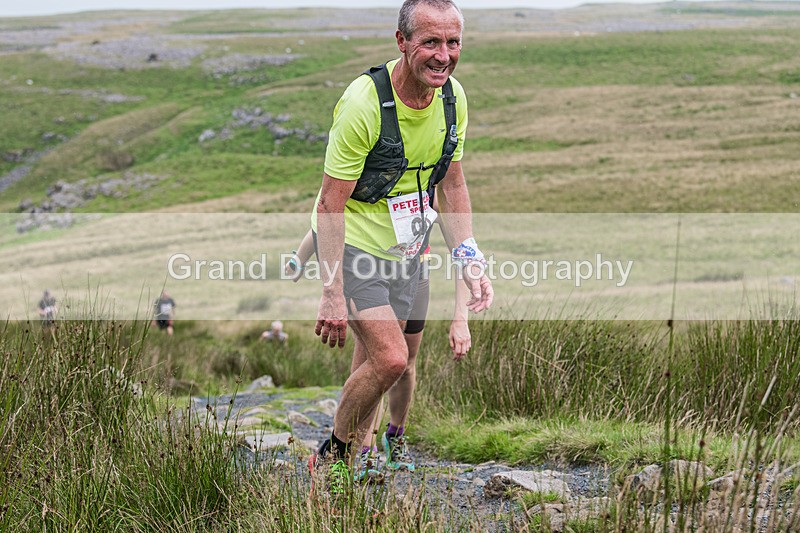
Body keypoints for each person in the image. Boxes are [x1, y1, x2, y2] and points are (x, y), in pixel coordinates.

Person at [309, 0, 493, 494]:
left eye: (453, 42)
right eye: (430, 42)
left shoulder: (452, 99)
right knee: (390, 359)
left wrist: (469, 258)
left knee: (382, 362)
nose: (443, 55)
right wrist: (331, 292)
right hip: (355, 249)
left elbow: (452, 184)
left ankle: (357, 459)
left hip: (409, 252)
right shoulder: (364, 104)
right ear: (402, 41)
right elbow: (329, 204)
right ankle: (332, 457)